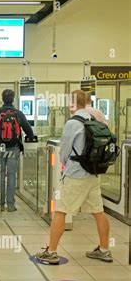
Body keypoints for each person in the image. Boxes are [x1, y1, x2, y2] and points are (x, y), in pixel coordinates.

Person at [36, 90, 113, 264]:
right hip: (93, 173)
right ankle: (104, 249)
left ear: (72, 103)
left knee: (61, 211)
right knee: (98, 212)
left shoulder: (73, 123)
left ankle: (52, 252)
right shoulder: (95, 119)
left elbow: (64, 151)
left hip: (76, 175)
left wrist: (65, 165)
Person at [0, 89, 34, 212]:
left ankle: (0, 203)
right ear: (13, 99)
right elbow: (30, 132)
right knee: (12, 175)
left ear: (2, 99)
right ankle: (11, 205)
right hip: (14, 148)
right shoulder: (18, 113)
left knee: (0, 174)